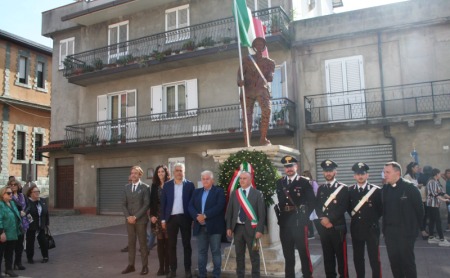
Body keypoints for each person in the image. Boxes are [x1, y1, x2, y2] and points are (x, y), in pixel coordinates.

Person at [275, 156, 315, 278]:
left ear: (296, 166)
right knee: (288, 254)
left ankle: (307, 275)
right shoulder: (280, 182)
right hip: (285, 223)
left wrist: (304, 217)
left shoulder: (304, 182)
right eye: (287, 167)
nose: (289, 169)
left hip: (299, 222)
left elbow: (312, 202)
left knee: (303, 252)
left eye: (291, 166)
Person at [382, 161, 423, 278]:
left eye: (387, 172)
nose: (385, 175)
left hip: (406, 234)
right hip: (390, 234)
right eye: (384, 172)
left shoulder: (410, 188)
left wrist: (416, 230)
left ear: (397, 173)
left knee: (407, 263)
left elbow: (420, 211)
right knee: (394, 263)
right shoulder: (385, 189)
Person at [225, 171, 266, 278]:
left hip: (253, 229)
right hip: (237, 229)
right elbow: (229, 211)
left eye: (244, 178)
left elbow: (262, 214)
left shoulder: (258, 194)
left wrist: (259, 230)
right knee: (239, 256)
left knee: (254, 256)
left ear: (250, 179)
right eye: (240, 178)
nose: (242, 180)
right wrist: (229, 227)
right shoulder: (235, 193)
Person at [237, 37, 275, 146]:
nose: (259, 46)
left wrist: (270, 75)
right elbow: (239, 73)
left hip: (261, 90)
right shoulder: (246, 59)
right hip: (248, 90)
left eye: (261, 44)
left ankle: (263, 138)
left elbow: (270, 76)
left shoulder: (270, 62)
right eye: (257, 44)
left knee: (267, 110)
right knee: (247, 116)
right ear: (254, 46)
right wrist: (240, 81)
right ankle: (247, 142)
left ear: (264, 47)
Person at [188, 170, 226, 278]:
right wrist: (197, 216)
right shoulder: (196, 192)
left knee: (216, 253)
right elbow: (190, 206)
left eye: (207, 178)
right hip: (200, 227)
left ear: (212, 180)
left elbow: (219, 206)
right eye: (203, 179)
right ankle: (202, 275)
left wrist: (205, 215)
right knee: (201, 253)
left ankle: (216, 275)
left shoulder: (218, 191)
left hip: (214, 227)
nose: (205, 181)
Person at [347, 162, 382, 278]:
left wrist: (371, 219)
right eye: (357, 174)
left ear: (367, 175)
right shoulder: (349, 191)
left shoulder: (376, 191)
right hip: (356, 229)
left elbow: (380, 210)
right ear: (354, 176)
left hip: (371, 229)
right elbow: (348, 208)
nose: (360, 176)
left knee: (374, 258)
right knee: (358, 258)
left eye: (362, 173)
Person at [315, 159, 349, 278]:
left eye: (330, 171)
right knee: (328, 257)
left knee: (341, 257)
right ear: (323, 173)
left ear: (335, 172)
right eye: (326, 171)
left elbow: (343, 207)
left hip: (337, 228)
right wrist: (322, 220)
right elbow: (317, 206)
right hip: (325, 228)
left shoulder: (343, 188)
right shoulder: (321, 189)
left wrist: (329, 220)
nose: (328, 173)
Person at [160, 163, 195, 278]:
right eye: (177, 170)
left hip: (185, 218)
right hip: (171, 219)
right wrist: (163, 220)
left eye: (181, 170)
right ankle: (173, 270)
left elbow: (193, 203)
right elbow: (163, 204)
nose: (179, 172)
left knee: (186, 245)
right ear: (173, 172)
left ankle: (187, 270)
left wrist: (193, 218)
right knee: (171, 245)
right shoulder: (167, 185)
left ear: (184, 172)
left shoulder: (190, 185)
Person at [121, 166, 150, 275]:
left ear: (140, 175)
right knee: (131, 243)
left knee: (143, 244)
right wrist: (128, 217)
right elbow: (123, 204)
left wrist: (135, 217)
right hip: (129, 221)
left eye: (136, 173)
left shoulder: (145, 187)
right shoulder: (126, 187)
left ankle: (145, 266)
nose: (133, 175)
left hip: (141, 220)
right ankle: (131, 265)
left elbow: (146, 204)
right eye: (132, 173)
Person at [150, 165, 171, 276]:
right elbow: (151, 202)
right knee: (160, 243)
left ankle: (167, 267)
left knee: (168, 244)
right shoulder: (154, 186)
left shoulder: (170, 185)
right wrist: (152, 215)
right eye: (158, 172)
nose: (160, 173)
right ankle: (161, 267)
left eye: (162, 171)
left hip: (168, 217)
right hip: (157, 217)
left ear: (166, 173)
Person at [0, 186, 22, 277]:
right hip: (4, 232)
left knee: (9, 253)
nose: (11, 195)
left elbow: (16, 215)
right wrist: (1, 232)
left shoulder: (12, 203)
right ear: (2, 194)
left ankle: (8, 269)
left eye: (11, 193)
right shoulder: (0, 204)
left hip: (13, 232)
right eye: (8, 193)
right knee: (0, 253)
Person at [25, 184, 49, 264]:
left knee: (43, 241)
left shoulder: (42, 201)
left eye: (38, 191)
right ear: (30, 193)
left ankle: (45, 256)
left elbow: (46, 212)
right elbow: (26, 213)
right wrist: (30, 222)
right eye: (35, 192)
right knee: (30, 242)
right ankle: (30, 258)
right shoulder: (28, 202)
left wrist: (46, 223)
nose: (37, 193)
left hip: (41, 225)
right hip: (31, 225)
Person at [404, 162, 429, 239]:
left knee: (423, 214)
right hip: (411, 201)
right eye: (416, 167)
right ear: (412, 168)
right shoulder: (407, 176)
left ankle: (422, 229)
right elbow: (406, 187)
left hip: (420, 198)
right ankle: (422, 231)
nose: (418, 169)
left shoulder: (415, 176)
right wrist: (417, 186)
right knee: (417, 215)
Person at [425, 168, 450, 246]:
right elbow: (434, 194)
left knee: (432, 220)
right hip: (432, 205)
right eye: (439, 174)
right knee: (438, 221)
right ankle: (442, 239)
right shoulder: (432, 182)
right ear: (436, 174)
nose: (440, 175)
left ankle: (431, 237)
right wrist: (444, 200)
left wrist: (448, 197)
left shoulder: (436, 181)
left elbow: (441, 192)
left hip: (435, 204)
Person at [9, 180, 28, 270]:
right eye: (11, 185)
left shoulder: (22, 196)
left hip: (23, 222)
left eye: (15, 185)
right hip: (13, 223)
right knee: (12, 245)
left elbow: (28, 206)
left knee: (20, 245)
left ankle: (18, 262)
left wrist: (25, 212)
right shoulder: (9, 196)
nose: (13, 186)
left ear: (18, 186)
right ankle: (9, 265)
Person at [302, 170, 319, 239]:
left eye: (304, 175)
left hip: (313, 203)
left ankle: (316, 233)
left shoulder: (313, 183)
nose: (303, 177)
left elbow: (316, 192)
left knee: (315, 219)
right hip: (307, 204)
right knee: (309, 219)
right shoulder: (303, 183)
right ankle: (311, 234)